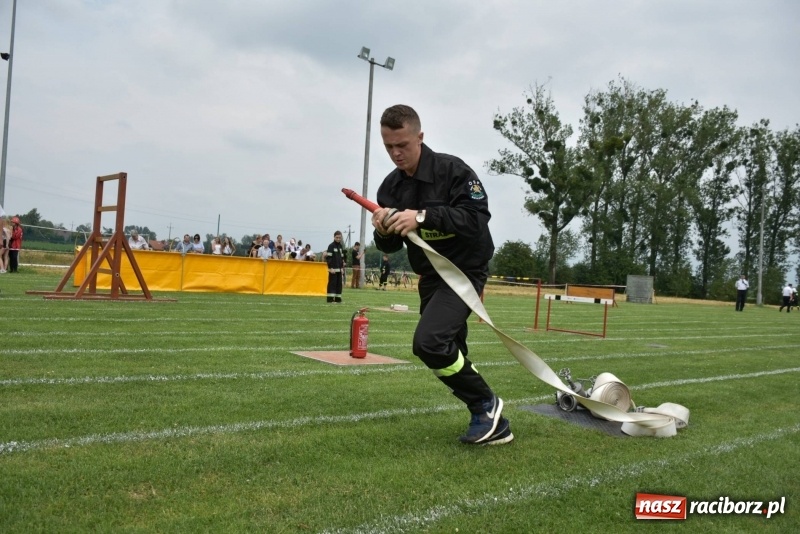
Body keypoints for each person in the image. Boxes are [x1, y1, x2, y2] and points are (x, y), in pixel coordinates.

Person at [371, 104, 511, 446]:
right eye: (388, 146)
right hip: (431, 276)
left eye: (402, 144)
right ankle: (494, 422)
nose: (395, 153)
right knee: (449, 349)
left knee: (429, 343)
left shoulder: (454, 171)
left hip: (465, 271)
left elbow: (476, 218)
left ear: (420, 137)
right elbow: (389, 246)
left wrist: (421, 217)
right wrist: (383, 229)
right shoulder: (389, 187)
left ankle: (485, 404)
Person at [325, 230, 345, 303]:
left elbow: (342, 258)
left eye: (339, 237)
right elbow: (329, 258)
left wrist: (342, 268)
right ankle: (330, 299)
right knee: (332, 284)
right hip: (333, 269)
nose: (338, 239)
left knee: (339, 285)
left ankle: (338, 299)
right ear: (334, 237)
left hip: (339, 269)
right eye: (337, 237)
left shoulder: (340, 246)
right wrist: (330, 268)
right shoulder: (331, 246)